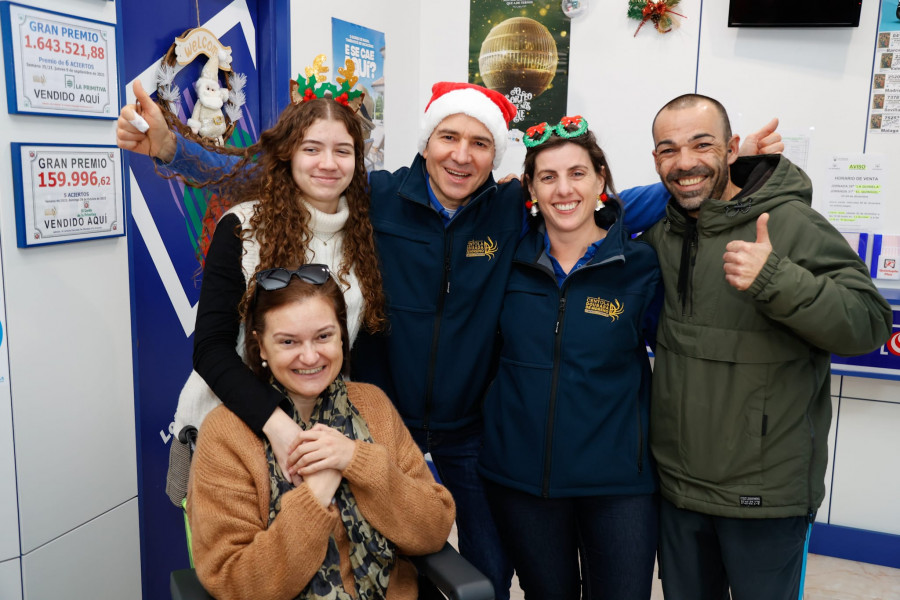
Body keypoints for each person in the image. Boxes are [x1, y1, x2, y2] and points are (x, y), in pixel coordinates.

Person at [117, 78, 781, 598]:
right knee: (348, 561)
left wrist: (724, 168)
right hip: (380, 419)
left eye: (481, 143)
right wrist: (175, 150)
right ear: (426, 142)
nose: (462, 155)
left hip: (467, 430)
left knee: (483, 576)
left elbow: (610, 197)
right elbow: (272, 178)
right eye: (449, 138)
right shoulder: (375, 198)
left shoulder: (510, 208)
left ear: (497, 158)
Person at [643, 94, 893, 600]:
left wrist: (775, 278)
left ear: (732, 149)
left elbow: (868, 323)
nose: (685, 161)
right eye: (668, 149)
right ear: (655, 161)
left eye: (702, 144)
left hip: (765, 494)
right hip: (678, 489)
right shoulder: (660, 235)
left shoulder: (788, 223)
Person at [135, 86, 388, 501]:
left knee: (306, 556)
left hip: (319, 440)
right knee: (230, 563)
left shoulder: (365, 236)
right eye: (312, 148)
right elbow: (211, 350)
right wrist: (277, 424)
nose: (328, 163)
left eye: (343, 151)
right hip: (226, 434)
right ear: (288, 153)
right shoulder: (243, 227)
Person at [478, 115, 661, 600]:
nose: (564, 189)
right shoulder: (506, 261)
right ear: (530, 190)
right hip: (522, 479)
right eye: (548, 176)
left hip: (618, 482)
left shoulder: (639, 265)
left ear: (600, 179)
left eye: (577, 173)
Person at [187, 268, 455, 599]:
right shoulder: (226, 434)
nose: (311, 356)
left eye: (324, 336)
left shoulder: (372, 405)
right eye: (288, 341)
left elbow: (433, 528)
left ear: (342, 336)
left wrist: (356, 460)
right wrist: (315, 496)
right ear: (261, 346)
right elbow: (235, 581)